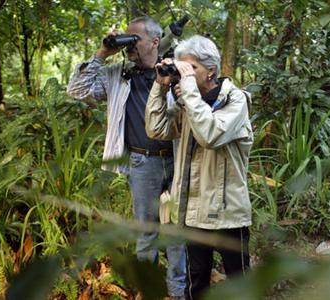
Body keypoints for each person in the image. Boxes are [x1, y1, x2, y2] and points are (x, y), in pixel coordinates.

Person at [66, 16, 186, 299]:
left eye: (136, 40)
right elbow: (77, 90)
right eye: (127, 40)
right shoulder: (117, 74)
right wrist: (102, 53)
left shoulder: (175, 69)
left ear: (155, 42)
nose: (130, 46)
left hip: (179, 159)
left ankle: (179, 290)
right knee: (147, 231)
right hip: (142, 163)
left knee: (178, 231)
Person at [145, 35, 253, 300]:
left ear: (211, 71)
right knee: (197, 282)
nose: (184, 74)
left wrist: (189, 92)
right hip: (194, 209)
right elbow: (156, 128)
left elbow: (210, 135)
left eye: (191, 68)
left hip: (228, 211)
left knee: (240, 282)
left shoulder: (235, 101)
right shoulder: (188, 105)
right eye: (181, 68)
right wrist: (160, 87)